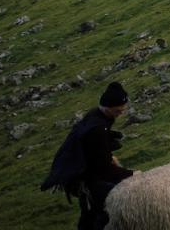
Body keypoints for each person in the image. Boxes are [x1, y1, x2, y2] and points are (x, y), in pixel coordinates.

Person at [40, 81, 136, 230]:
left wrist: (108, 154)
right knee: (106, 211)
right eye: (118, 110)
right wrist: (132, 174)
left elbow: (96, 151)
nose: (121, 113)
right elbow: (103, 169)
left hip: (84, 174)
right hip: (87, 178)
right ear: (108, 107)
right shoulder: (96, 129)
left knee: (90, 214)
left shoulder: (97, 116)